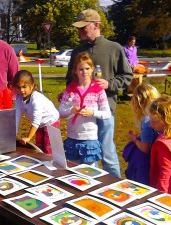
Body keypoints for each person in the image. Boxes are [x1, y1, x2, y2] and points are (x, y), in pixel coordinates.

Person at [65, 8, 133, 177]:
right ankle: (88, 186)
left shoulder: (114, 48)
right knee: (85, 154)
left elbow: (127, 76)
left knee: (107, 152)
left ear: (95, 25)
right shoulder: (77, 52)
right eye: (79, 27)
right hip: (82, 114)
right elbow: (70, 80)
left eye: (83, 27)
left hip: (105, 110)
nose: (79, 30)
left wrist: (109, 84)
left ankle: (115, 188)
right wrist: (66, 95)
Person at [58, 52, 111, 165]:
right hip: (72, 137)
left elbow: (107, 113)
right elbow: (60, 112)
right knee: (73, 170)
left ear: (92, 69)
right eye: (81, 69)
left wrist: (92, 112)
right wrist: (71, 110)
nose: (84, 72)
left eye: (87, 68)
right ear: (75, 71)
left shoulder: (98, 90)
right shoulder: (70, 90)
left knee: (90, 171)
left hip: (89, 138)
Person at [13, 70, 60, 154]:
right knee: (39, 146)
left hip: (51, 121)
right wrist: (14, 134)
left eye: (24, 87)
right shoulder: (19, 98)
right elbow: (16, 116)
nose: (21, 90)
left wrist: (28, 137)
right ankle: (42, 162)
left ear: (32, 86)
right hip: (40, 124)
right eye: (18, 87)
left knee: (48, 147)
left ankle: (51, 163)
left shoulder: (36, 98)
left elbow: (36, 120)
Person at [122, 83, 160, 185]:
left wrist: (134, 139)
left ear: (139, 102)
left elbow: (145, 148)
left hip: (144, 163)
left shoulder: (147, 121)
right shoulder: (158, 117)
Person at [149, 96, 171, 196]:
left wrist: (161, 195)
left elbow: (166, 172)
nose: (150, 123)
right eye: (150, 119)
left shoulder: (163, 144)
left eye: (155, 121)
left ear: (168, 120)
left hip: (170, 191)